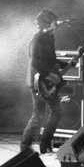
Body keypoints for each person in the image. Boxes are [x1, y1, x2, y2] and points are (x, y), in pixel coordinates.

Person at [20, 9, 62, 154]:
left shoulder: (50, 37)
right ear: (47, 22)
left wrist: (66, 63)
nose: (57, 23)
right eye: (54, 20)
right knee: (38, 116)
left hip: (46, 81)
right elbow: (34, 63)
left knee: (56, 112)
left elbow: (52, 59)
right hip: (37, 81)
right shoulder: (37, 38)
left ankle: (45, 144)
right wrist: (49, 76)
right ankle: (25, 147)